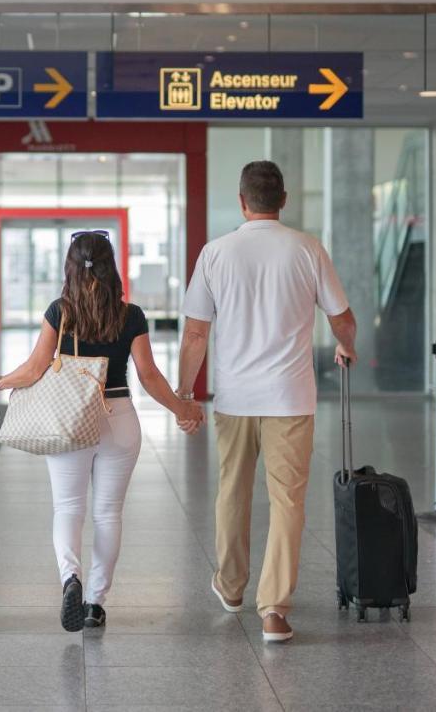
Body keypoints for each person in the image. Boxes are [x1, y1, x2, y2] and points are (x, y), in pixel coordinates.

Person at [0, 230, 204, 633]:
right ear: (111, 266)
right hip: (118, 418)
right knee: (108, 513)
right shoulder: (130, 314)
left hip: (71, 419)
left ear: (70, 267)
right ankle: (95, 603)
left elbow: (34, 369)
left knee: (69, 508)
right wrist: (181, 409)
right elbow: (149, 376)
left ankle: (71, 578)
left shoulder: (60, 311)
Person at [176, 161, 357, 644]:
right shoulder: (307, 249)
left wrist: (185, 394)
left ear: (242, 201)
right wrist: (346, 344)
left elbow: (196, 332)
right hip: (290, 397)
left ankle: (232, 587)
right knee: (288, 502)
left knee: (232, 491)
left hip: (235, 398)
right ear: (283, 200)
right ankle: (274, 609)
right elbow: (342, 316)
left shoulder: (216, 253)